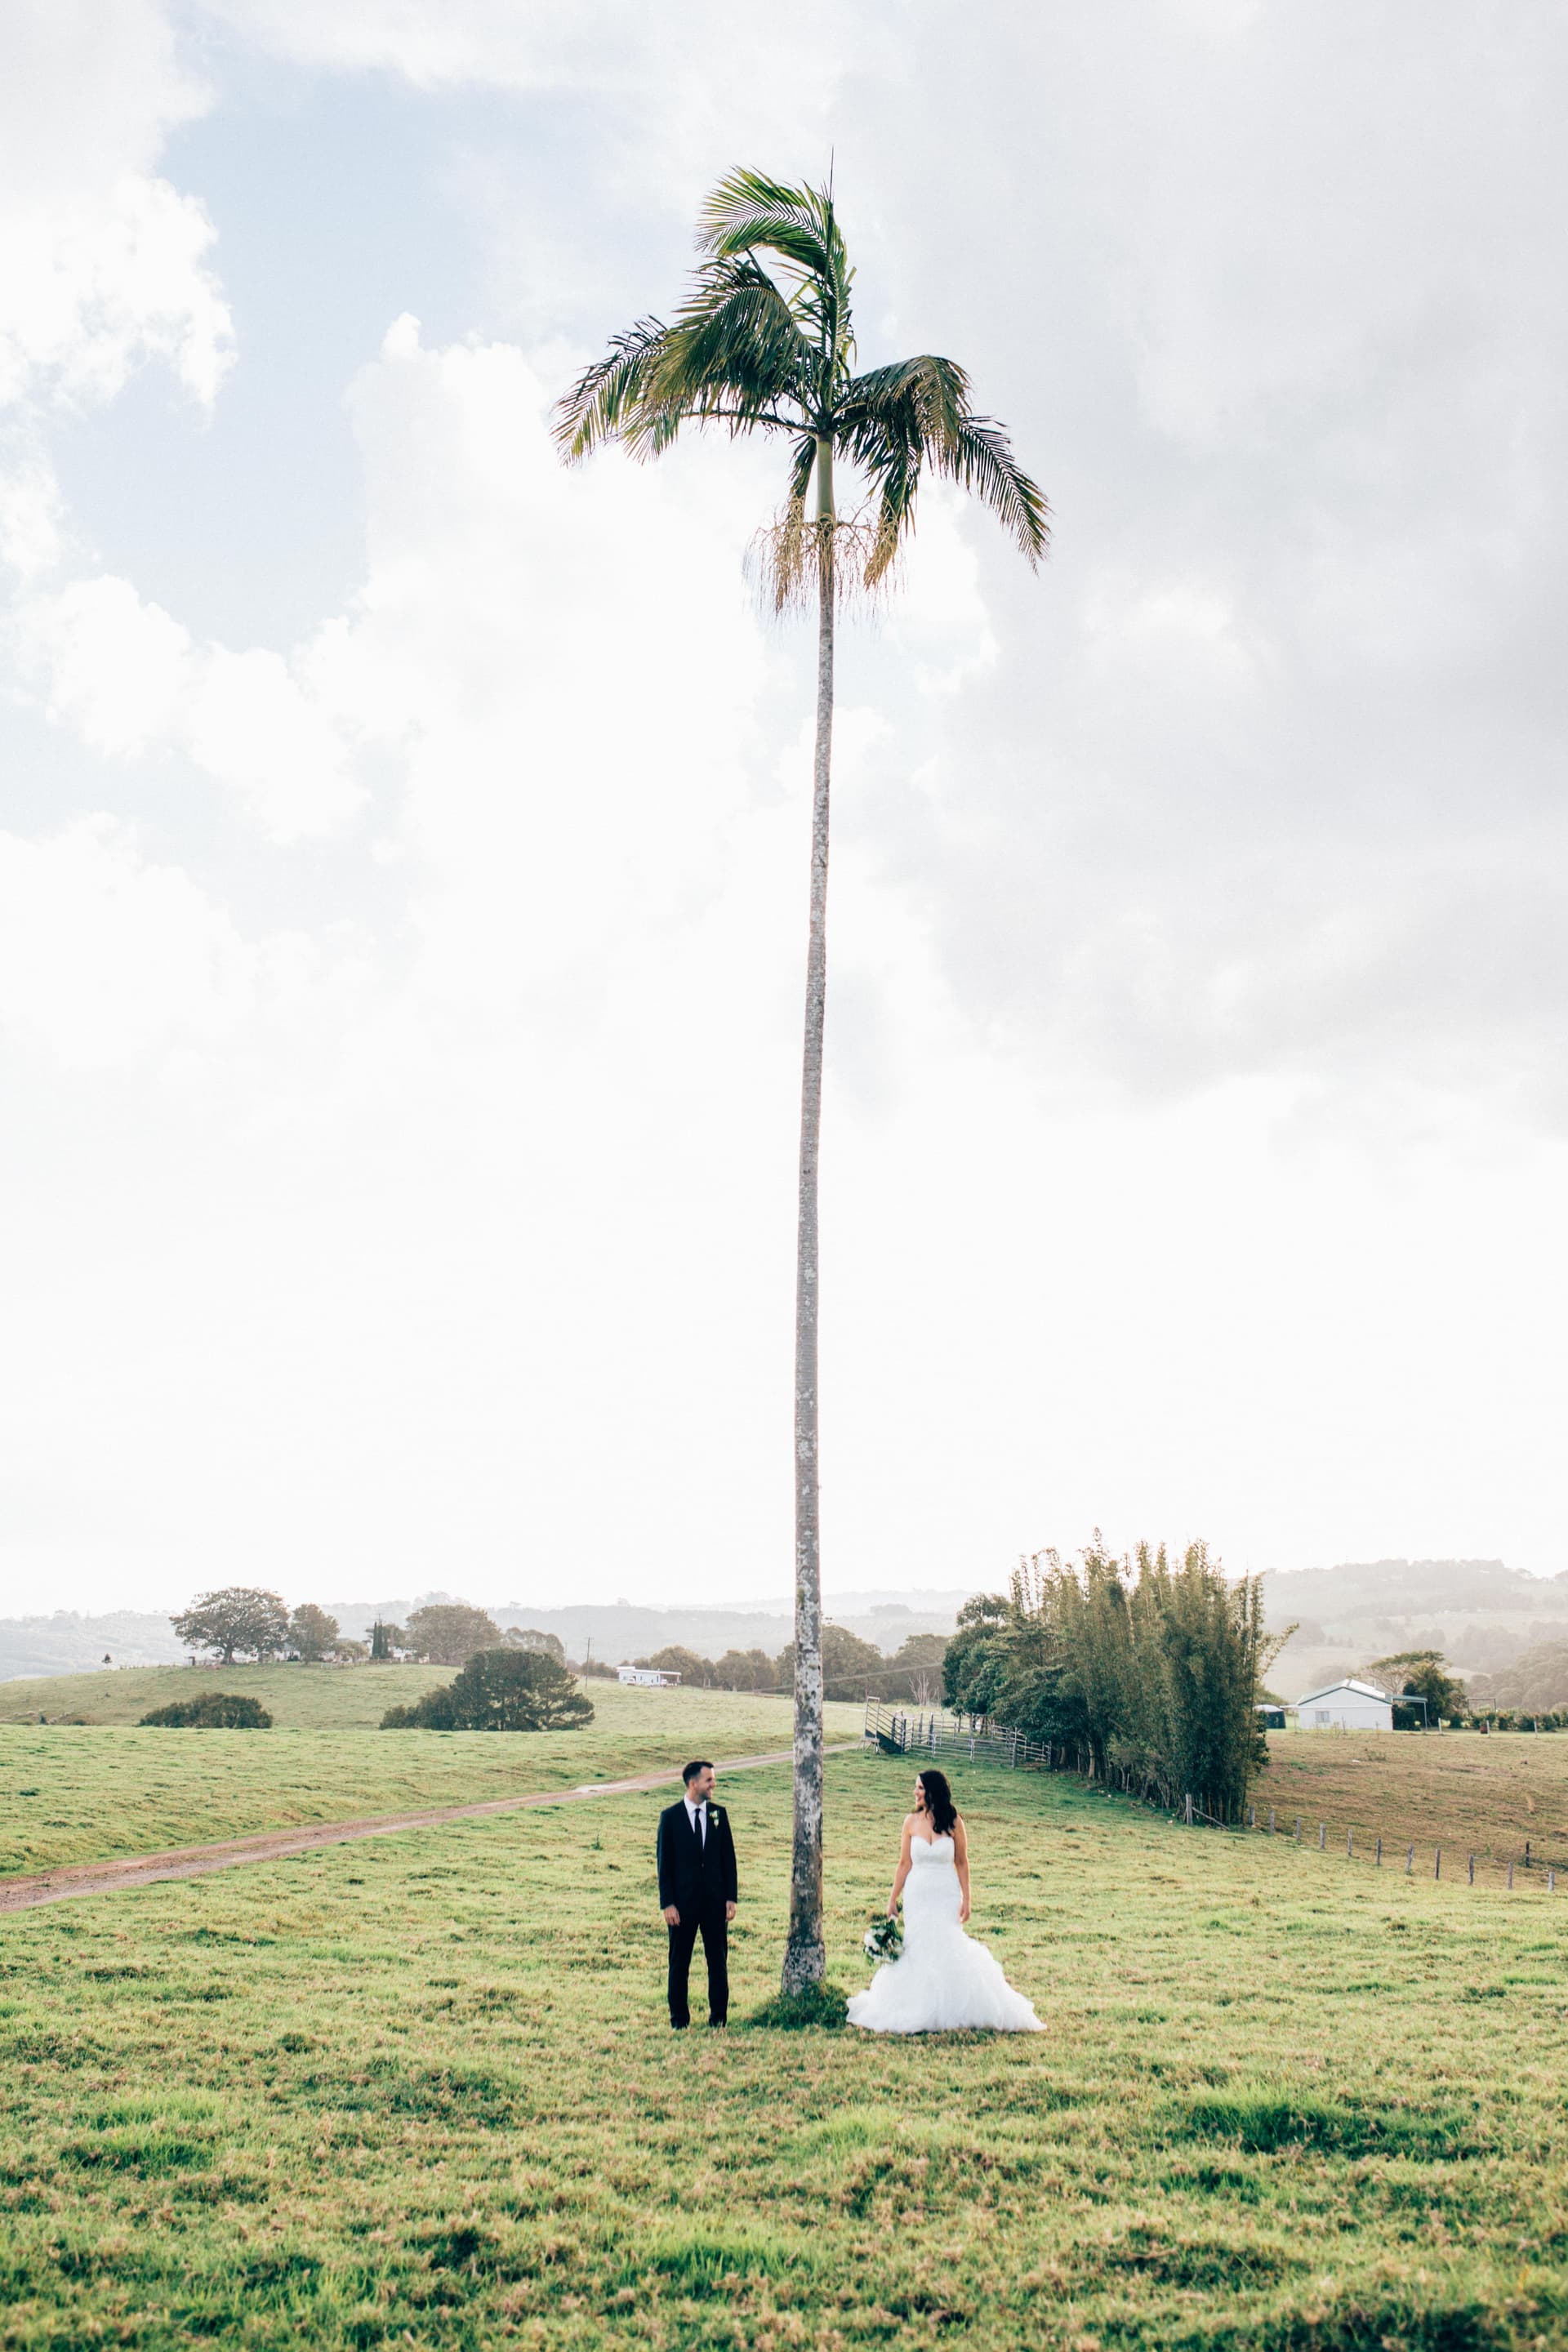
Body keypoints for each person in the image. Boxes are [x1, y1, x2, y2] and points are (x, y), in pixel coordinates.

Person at [847, 1766, 1043, 2034]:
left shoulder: (954, 1821)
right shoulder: (910, 1822)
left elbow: (962, 1862)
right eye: (915, 1787)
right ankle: (915, 2002)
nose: (914, 1792)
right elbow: (904, 1863)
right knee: (917, 1945)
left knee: (946, 1942)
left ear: (932, 1791)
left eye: (919, 1788)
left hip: (945, 1892)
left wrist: (967, 1899)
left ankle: (952, 2003)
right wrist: (893, 1897)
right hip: (917, 1893)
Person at [655, 1758, 738, 2029]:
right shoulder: (670, 1818)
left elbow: (729, 1859)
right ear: (694, 1784)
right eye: (709, 1780)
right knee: (679, 1964)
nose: (714, 1784)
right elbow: (664, 1864)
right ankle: (679, 2019)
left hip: (715, 1904)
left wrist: (731, 1897)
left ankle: (719, 2018)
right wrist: (668, 1903)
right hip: (682, 1906)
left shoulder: (718, 1814)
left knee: (718, 1963)